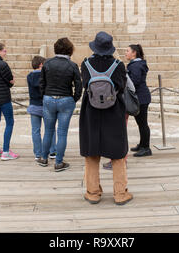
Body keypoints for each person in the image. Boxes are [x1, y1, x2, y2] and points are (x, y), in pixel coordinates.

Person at [79, 31, 133, 206]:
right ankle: (120, 193)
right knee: (118, 153)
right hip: (113, 112)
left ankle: (93, 192)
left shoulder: (86, 64)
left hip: (91, 112)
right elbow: (121, 86)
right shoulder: (118, 65)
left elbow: (85, 85)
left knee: (91, 153)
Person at [39, 38, 82, 172]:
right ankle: (58, 163)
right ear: (70, 50)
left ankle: (43, 158)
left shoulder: (47, 63)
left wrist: (44, 96)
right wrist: (74, 99)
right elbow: (79, 85)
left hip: (48, 98)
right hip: (66, 99)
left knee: (48, 130)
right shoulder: (72, 65)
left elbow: (41, 83)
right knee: (62, 133)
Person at [27, 55, 57, 163]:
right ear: (41, 64)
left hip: (34, 105)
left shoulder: (29, 76)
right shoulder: (46, 76)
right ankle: (52, 151)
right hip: (46, 105)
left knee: (36, 131)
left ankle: (38, 153)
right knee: (51, 129)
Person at [125, 44, 152, 157]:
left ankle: (146, 148)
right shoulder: (136, 64)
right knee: (141, 123)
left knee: (143, 124)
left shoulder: (136, 65)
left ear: (134, 52)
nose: (126, 53)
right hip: (141, 97)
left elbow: (134, 81)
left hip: (141, 98)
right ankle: (142, 145)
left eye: (127, 51)